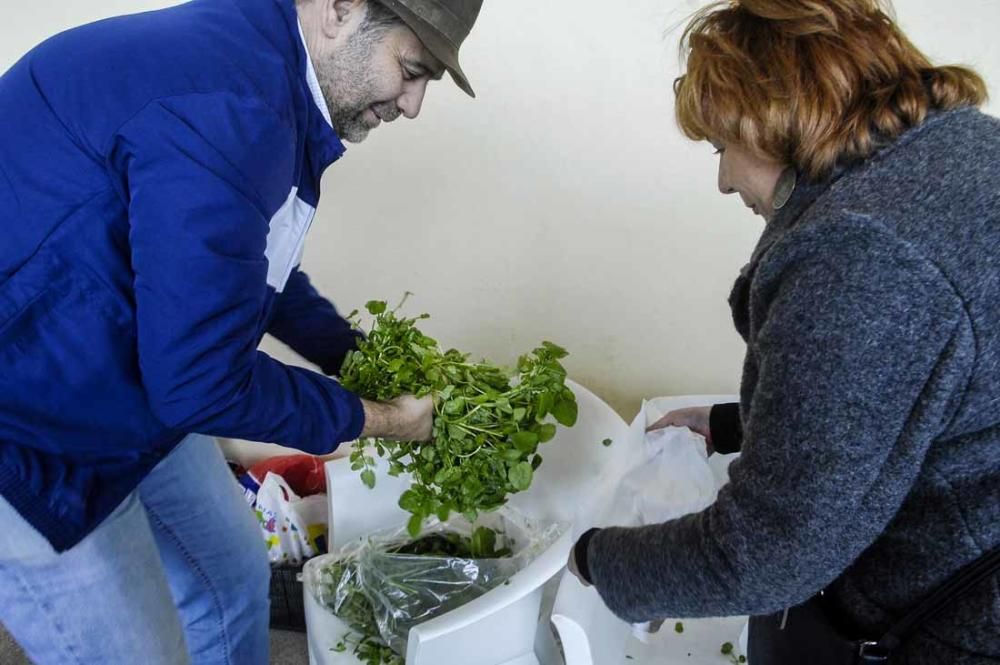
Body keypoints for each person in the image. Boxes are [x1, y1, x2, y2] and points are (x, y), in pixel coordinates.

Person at [0, 0, 483, 662]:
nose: (413, 104)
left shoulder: (270, 75)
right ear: (340, 9)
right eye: (410, 69)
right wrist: (387, 419)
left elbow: (245, 266)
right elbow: (201, 380)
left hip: (128, 379)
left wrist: (353, 357)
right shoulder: (231, 107)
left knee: (230, 573)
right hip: (29, 431)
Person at [567, 1, 1000, 662]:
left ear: (770, 120)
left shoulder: (861, 254)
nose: (722, 180)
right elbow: (919, 387)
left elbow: (765, 551)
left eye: (720, 148)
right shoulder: (962, 148)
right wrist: (729, 422)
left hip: (946, 623)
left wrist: (591, 557)